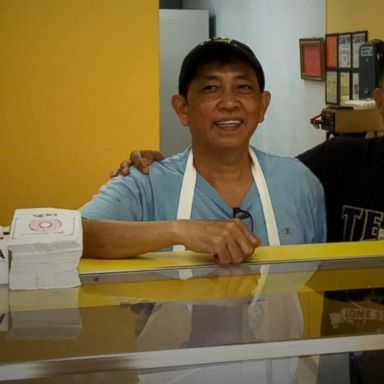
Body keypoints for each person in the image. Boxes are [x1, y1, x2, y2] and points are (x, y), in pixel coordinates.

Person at [80, 38, 326, 264]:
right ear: (182, 108)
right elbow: (70, 235)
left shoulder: (298, 182)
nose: (229, 103)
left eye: (242, 87)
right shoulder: (147, 183)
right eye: (210, 88)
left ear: (262, 106)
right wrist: (178, 230)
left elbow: (319, 279)